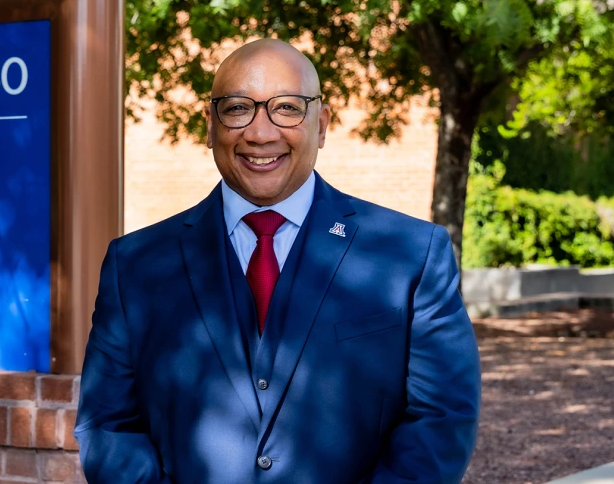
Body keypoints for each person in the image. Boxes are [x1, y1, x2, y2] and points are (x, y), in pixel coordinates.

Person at [74, 39, 480, 484]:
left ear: (321, 125)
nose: (261, 133)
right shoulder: (135, 266)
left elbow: (442, 418)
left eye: (287, 108)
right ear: (209, 125)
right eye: (237, 108)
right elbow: (109, 425)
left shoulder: (410, 256)